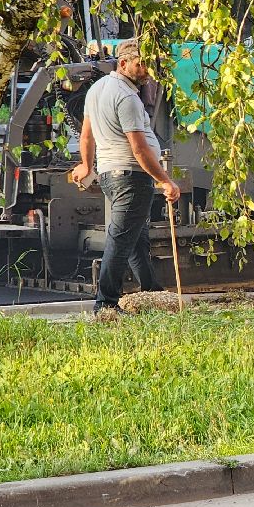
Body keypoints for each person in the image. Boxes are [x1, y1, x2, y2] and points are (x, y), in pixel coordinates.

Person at [71, 39, 182, 316]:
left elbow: (86, 135)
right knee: (121, 240)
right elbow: (139, 148)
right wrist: (165, 180)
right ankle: (105, 303)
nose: (146, 71)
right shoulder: (127, 97)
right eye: (140, 64)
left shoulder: (96, 90)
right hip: (130, 176)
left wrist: (86, 165)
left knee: (136, 236)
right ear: (123, 64)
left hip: (110, 174)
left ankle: (151, 290)